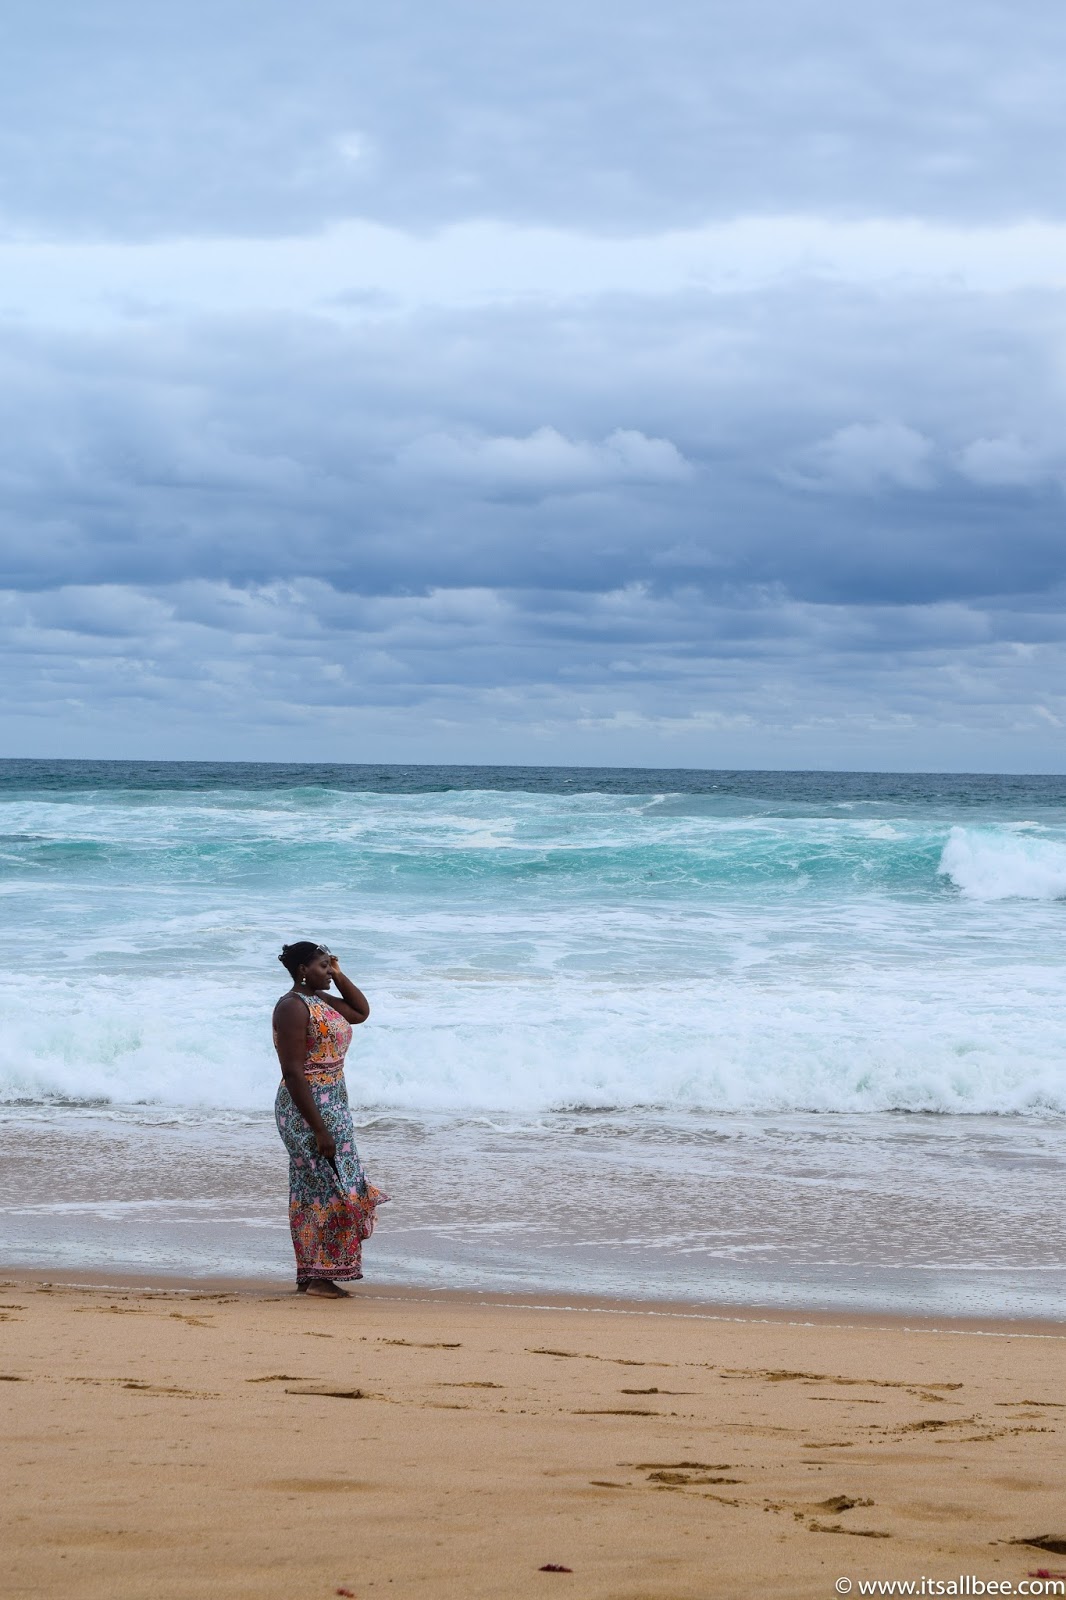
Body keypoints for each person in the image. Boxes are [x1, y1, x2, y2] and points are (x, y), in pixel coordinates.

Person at [273, 941, 389, 1298]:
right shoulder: (292, 1007)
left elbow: (360, 1011)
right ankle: (320, 1278)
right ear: (303, 970)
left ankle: (310, 1275)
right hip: (307, 1109)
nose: (329, 971)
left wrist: (338, 973)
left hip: (333, 1103)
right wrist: (319, 1128)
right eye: (323, 966)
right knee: (330, 1188)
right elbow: (293, 1072)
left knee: (317, 1187)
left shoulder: (320, 1001)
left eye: (330, 966)